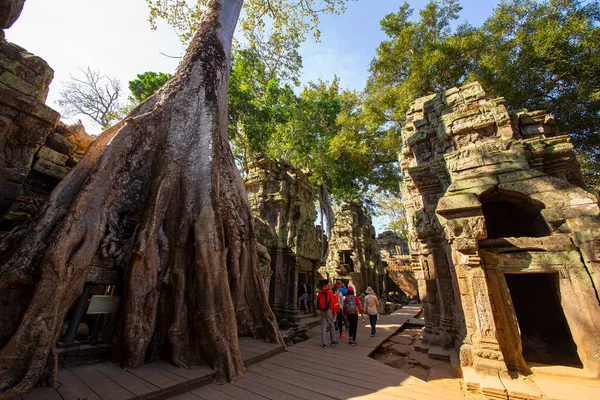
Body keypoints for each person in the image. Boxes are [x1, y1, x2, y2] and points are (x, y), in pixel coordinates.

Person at [317, 280, 339, 348]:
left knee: (323, 326)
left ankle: (324, 343)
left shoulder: (320, 291)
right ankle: (333, 340)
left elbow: (318, 300)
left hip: (322, 309)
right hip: (329, 309)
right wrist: (335, 312)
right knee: (332, 325)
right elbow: (332, 302)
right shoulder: (330, 291)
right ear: (328, 284)